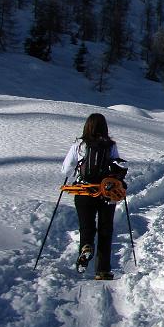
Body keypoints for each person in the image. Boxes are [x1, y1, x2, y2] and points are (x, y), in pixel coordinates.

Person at [61, 113, 121, 280]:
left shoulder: (79, 145)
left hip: (83, 191)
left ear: (87, 126)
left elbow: (66, 170)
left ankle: (86, 246)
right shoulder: (110, 145)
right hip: (106, 192)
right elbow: (117, 166)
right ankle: (103, 270)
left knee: (86, 227)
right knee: (105, 229)